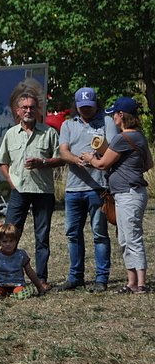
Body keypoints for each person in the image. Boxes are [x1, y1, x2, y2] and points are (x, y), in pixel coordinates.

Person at [81, 96, 153, 294]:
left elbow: (103, 163)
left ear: (121, 115)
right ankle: (131, 282)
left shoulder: (122, 138)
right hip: (129, 192)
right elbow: (149, 164)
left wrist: (90, 158)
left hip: (128, 193)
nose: (112, 117)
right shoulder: (139, 136)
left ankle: (140, 284)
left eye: (114, 114)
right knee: (124, 237)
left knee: (132, 237)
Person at [0, 79, 60, 289]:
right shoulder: (11, 134)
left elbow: (59, 159)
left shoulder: (49, 133)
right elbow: (2, 162)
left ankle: (40, 278)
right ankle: (6, 278)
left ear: (37, 110)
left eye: (32, 107)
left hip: (43, 191)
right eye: (24, 108)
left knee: (42, 237)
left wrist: (43, 162)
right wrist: (11, 181)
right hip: (20, 191)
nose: (28, 111)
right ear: (17, 111)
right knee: (8, 234)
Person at [55, 88, 117, 293]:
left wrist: (97, 158)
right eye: (82, 108)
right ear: (76, 106)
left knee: (99, 233)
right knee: (73, 234)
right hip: (73, 188)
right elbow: (63, 150)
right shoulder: (68, 124)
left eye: (89, 106)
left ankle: (101, 278)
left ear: (96, 103)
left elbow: (115, 149)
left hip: (98, 188)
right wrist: (76, 160)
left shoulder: (106, 122)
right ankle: (75, 277)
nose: (86, 111)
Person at [0, 223, 45, 298]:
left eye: (11, 241)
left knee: (20, 291)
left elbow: (30, 272)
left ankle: (18, 295)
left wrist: (39, 287)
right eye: (4, 241)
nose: (8, 244)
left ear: (16, 241)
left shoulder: (21, 255)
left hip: (18, 284)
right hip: (1, 285)